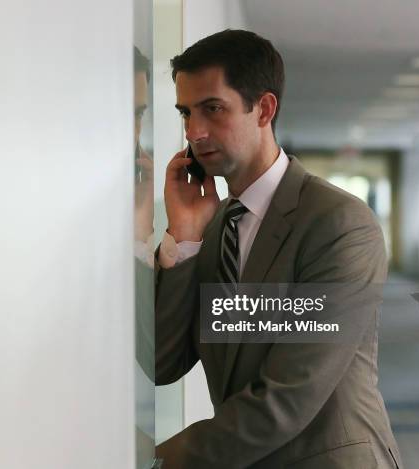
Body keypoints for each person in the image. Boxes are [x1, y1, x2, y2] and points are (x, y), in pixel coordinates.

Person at [154, 29, 403, 469]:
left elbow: (289, 395)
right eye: (186, 113)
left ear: (264, 109)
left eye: (212, 109)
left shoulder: (338, 224)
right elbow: (162, 362)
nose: (194, 131)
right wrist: (188, 239)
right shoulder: (215, 230)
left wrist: (156, 460)